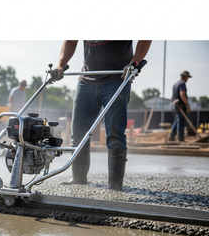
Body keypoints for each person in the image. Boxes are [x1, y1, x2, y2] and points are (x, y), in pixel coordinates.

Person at [51, 40, 151, 191]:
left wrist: (134, 63)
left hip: (117, 78)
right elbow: (71, 40)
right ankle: (78, 179)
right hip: (87, 78)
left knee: (115, 133)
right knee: (78, 133)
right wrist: (61, 64)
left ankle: (115, 185)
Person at [169, 71, 192, 142]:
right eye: (187, 77)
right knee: (180, 122)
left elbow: (172, 97)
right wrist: (187, 104)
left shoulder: (175, 84)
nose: (187, 79)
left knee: (177, 121)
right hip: (180, 106)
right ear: (184, 76)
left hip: (175, 106)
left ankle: (171, 137)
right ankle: (180, 138)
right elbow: (182, 95)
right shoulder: (182, 83)